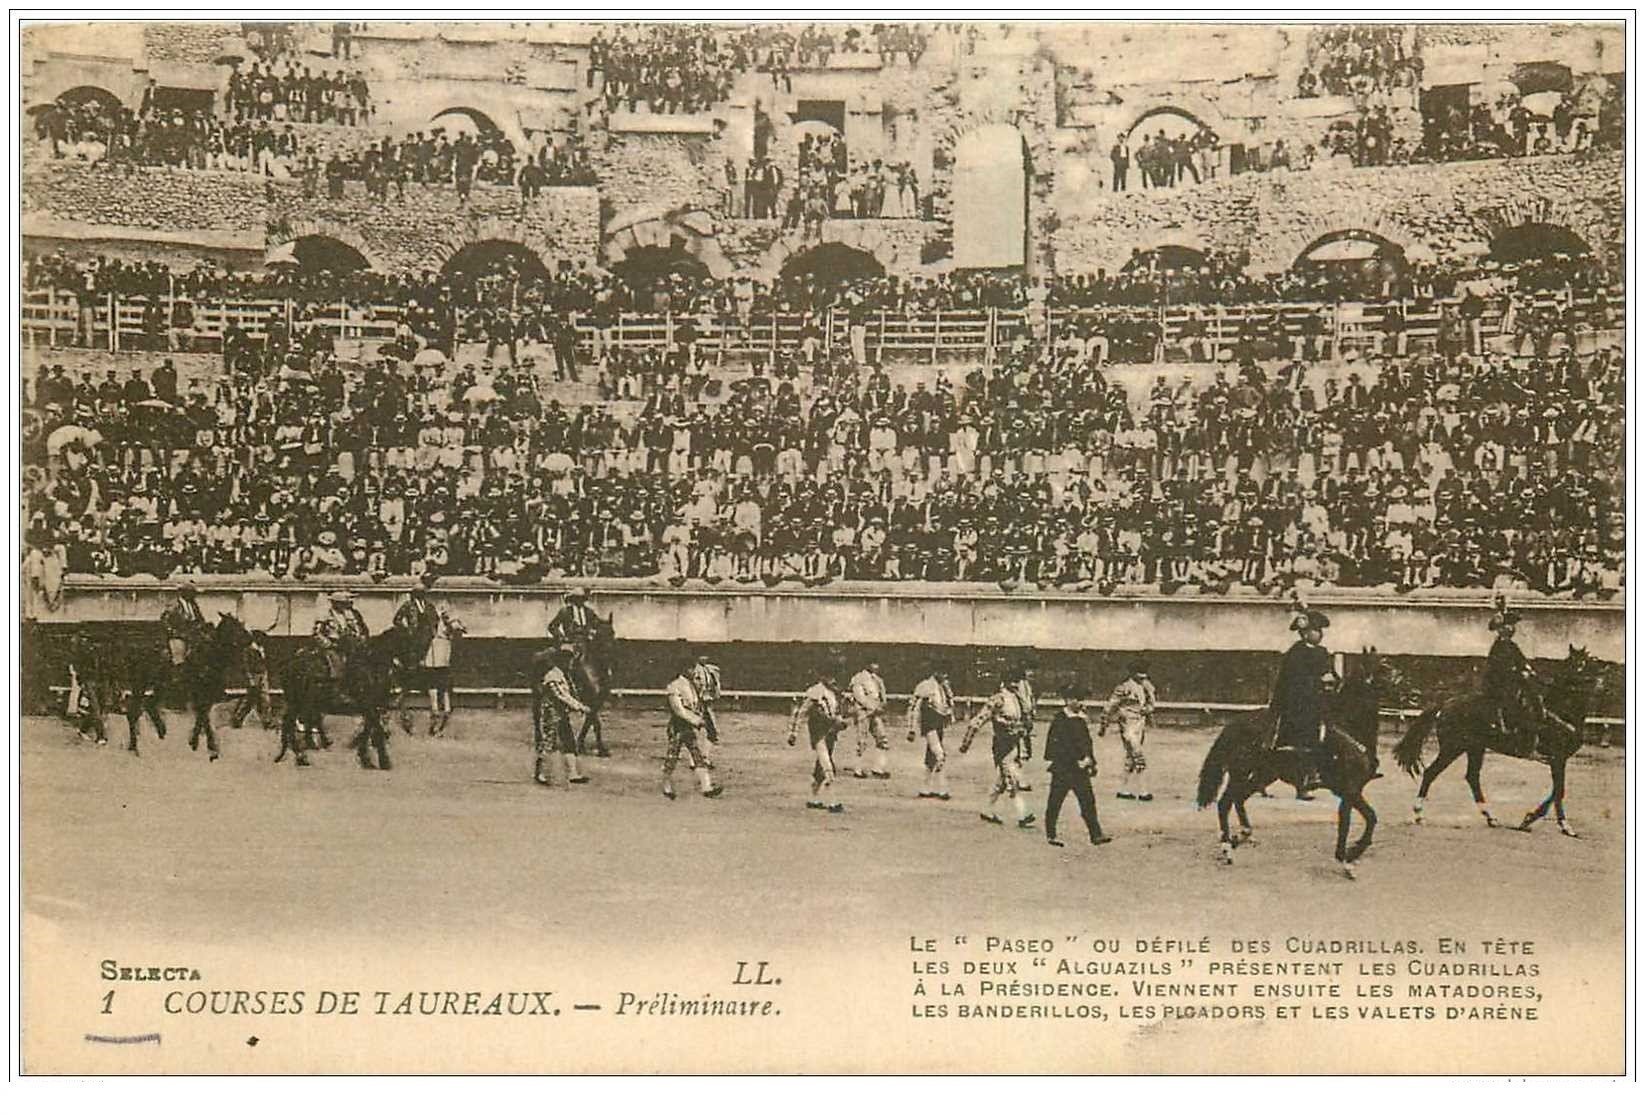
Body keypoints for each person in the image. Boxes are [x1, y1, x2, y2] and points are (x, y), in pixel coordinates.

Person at [960, 665, 1037, 830]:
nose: (1016, 684)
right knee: (1011, 780)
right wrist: (966, 743)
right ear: (1006, 681)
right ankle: (1023, 815)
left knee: (1001, 782)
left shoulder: (1018, 699)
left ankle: (987, 810)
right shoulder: (998, 699)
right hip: (1002, 745)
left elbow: (1025, 722)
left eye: (1018, 681)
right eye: (1014, 681)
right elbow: (977, 721)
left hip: (1014, 744)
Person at [1270, 607, 1338, 795]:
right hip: (1298, 705)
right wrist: (1318, 681)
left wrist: (1333, 679)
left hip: (1319, 703)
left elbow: (1331, 674)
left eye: (1320, 631)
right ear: (1305, 633)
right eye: (1316, 631)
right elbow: (1292, 681)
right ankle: (1305, 780)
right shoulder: (1296, 652)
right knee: (1304, 741)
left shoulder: (1323, 652)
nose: (1320, 634)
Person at [1043, 688, 1112, 848]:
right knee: (1055, 801)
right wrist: (1076, 761)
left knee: (1088, 801)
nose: (1081, 703)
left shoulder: (1080, 719)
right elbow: (1055, 749)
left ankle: (1096, 834)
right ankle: (1051, 834)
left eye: (1082, 699)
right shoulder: (1059, 720)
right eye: (1077, 699)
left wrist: (1091, 761)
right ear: (1067, 700)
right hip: (1064, 769)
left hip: (1080, 769)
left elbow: (1087, 745)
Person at [787, 662, 850, 813]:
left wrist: (841, 722)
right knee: (828, 766)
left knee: (820, 766)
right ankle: (833, 801)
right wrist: (793, 733)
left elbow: (836, 714)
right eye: (829, 676)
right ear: (822, 677)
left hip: (830, 734)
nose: (833, 679)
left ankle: (813, 798)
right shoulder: (815, 692)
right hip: (818, 733)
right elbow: (801, 713)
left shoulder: (834, 693)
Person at [663, 653, 723, 801]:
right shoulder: (674, 686)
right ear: (685, 670)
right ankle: (667, 785)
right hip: (677, 727)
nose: (694, 672)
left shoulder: (692, 686)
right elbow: (679, 710)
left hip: (688, 728)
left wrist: (701, 718)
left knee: (697, 757)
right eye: (691, 669)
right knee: (672, 758)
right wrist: (697, 720)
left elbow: (698, 705)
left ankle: (706, 787)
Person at [1483, 597, 1539, 753]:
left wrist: (1529, 669)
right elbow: (1497, 667)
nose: (1511, 629)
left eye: (1512, 626)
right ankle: (1504, 728)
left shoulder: (1511, 645)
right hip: (1498, 682)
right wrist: (1518, 672)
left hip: (1512, 679)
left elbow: (1521, 659)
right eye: (1509, 626)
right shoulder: (1498, 646)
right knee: (1509, 699)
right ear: (1502, 629)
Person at [1099, 658, 1157, 801]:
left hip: (1140, 725)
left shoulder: (1147, 686)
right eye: (1139, 672)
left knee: (1130, 758)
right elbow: (1109, 707)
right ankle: (1143, 792)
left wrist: (1147, 710)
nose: (1142, 676)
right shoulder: (1123, 688)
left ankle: (1123, 790)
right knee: (1138, 755)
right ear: (1132, 673)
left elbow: (1152, 705)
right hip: (1128, 725)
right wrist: (1103, 725)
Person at [535, 645, 591, 787]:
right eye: (569, 660)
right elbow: (561, 696)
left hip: (560, 713)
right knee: (549, 743)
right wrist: (580, 706)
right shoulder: (552, 676)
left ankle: (572, 773)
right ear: (563, 661)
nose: (571, 663)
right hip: (551, 713)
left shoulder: (560, 674)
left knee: (568, 742)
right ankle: (540, 773)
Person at [906, 662, 956, 801]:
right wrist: (911, 729)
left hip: (938, 724)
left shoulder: (945, 686)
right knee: (940, 755)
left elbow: (948, 705)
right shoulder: (925, 686)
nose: (945, 676)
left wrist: (950, 716)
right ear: (935, 672)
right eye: (942, 672)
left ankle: (925, 788)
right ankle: (942, 789)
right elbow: (914, 707)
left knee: (931, 757)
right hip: (929, 724)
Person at [848, 659, 892, 779]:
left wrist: (881, 707)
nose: (876, 666)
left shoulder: (877, 679)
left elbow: (882, 697)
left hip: (875, 713)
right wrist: (874, 708)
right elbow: (860, 698)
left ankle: (878, 768)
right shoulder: (858, 678)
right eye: (873, 663)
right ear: (867, 665)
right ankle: (858, 770)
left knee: (882, 739)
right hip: (863, 713)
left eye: (877, 663)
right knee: (861, 741)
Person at [229, 630, 274, 731]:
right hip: (254, 676)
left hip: (262, 675)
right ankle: (237, 719)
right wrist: (250, 679)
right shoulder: (249, 650)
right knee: (249, 700)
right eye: (261, 638)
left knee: (265, 699)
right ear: (256, 638)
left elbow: (264, 663)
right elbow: (246, 666)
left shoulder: (261, 648)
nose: (262, 640)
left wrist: (265, 674)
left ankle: (267, 721)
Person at [160, 582, 208, 667]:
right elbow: (165, 620)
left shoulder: (193, 605)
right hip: (179, 635)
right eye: (191, 593)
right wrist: (173, 631)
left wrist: (201, 626)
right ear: (183, 593)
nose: (194, 595)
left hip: (194, 634)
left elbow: (200, 618)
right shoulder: (174, 605)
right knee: (179, 657)